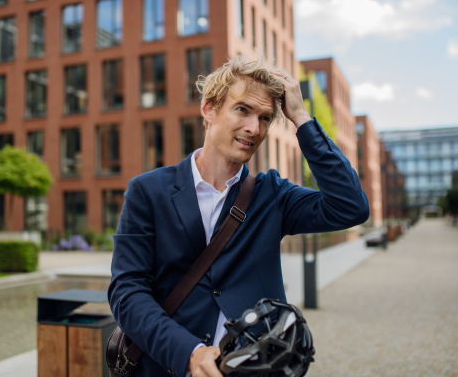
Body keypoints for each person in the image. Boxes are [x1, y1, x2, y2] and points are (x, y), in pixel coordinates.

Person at [108, 56, 369, 377]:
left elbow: (351, 206)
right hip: (168, 367)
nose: (253, 128)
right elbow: (127, 291)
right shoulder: (148, 191)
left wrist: (301, 119)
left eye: (265, 118)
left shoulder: (273, 194)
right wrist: (189, 352)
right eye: (242, 110)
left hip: (257, 368)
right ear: (209, 109)